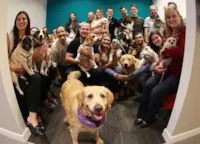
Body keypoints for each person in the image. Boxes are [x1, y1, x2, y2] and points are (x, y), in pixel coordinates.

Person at [135, 7, 186, 128]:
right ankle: (141, 114)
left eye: (174, 16)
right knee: (147, 85)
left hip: (177, 73)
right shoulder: (170, 34)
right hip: (165, 69)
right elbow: (161, 57)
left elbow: (182, 52)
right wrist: (157, 67)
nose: (171, 19)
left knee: (155, 92)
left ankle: (150, 117)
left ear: (179, 17)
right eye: (168, 17)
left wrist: (167, 51)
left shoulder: (184, 31)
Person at [7, 11, 45, 135]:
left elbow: (39, 51)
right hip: (14, 69)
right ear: (15, 21)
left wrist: (45, 52)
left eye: (24, 19)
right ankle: (33, 115)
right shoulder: (9, 36)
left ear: (28, 21)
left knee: (40, 78)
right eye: (18, 19)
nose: (21, 21)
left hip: (27, 68)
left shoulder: (31, 36)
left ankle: (34, 113)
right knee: (33, 80)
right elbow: (4, 57)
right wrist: (11, 67)